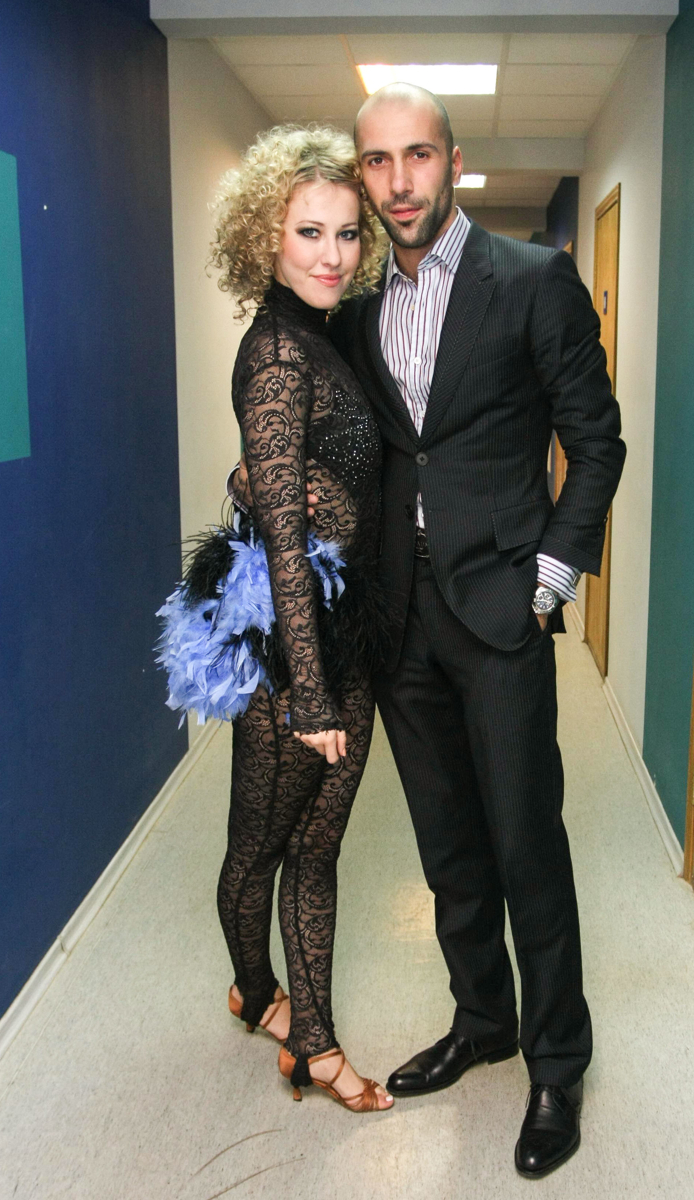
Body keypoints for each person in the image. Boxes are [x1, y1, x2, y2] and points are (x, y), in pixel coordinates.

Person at [233, 85, 625, 1176]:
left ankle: (556, 1063)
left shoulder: (532, 280)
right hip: (398, 623)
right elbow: (334, 435)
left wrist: (547, 581)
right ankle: (482, 1019)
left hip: (499, 616)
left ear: (452, 161)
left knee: (525, 846)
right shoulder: (354, 304)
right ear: (361, 175)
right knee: (448, 850)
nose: (398, 181)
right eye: (377, 161)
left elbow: (596, 442)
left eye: (417, 156)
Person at [209, 124, 393, 1113]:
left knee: (317, 849)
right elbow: (283, 540)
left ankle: (314, 1044)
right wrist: (308, 693)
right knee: (259, 849)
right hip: (290, 649)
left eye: (346, 234)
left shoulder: (328, 333)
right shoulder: (279, 355)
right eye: (307, 233)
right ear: (265, 239)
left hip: (346, 627)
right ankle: (254, 988)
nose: (330, 255)